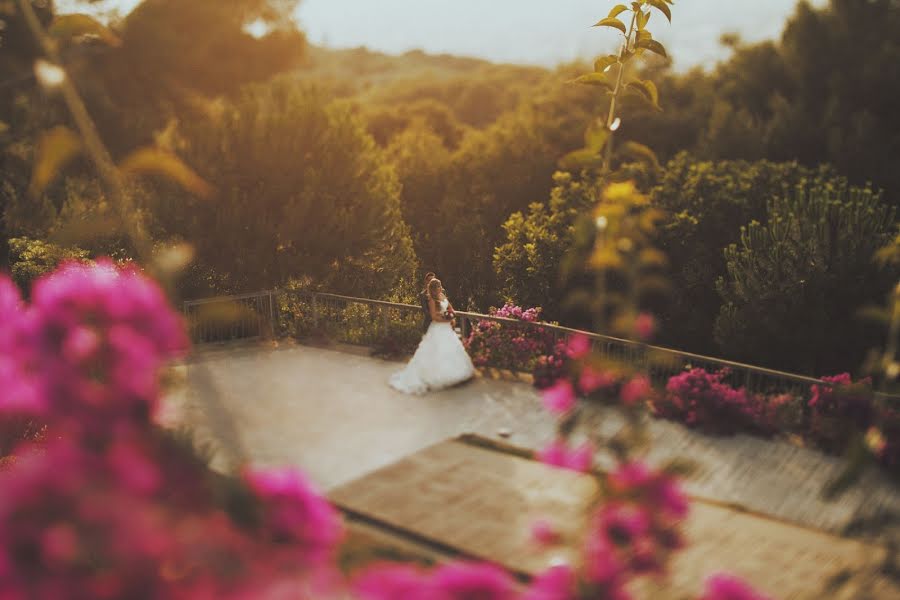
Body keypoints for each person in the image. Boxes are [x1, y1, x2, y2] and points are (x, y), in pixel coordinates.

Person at [389, 278, 475, 394]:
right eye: (438, 287)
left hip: (447, 329)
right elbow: (434, 317)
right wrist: (446, 320)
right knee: (436, 350)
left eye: (440, 286)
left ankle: (452, 373)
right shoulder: (431, 300)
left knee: (450, 350)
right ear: (433, 289)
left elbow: (451, 309)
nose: (440, 288)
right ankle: (435, 376)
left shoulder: (443, 296)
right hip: (437, 328)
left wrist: (451, 316)